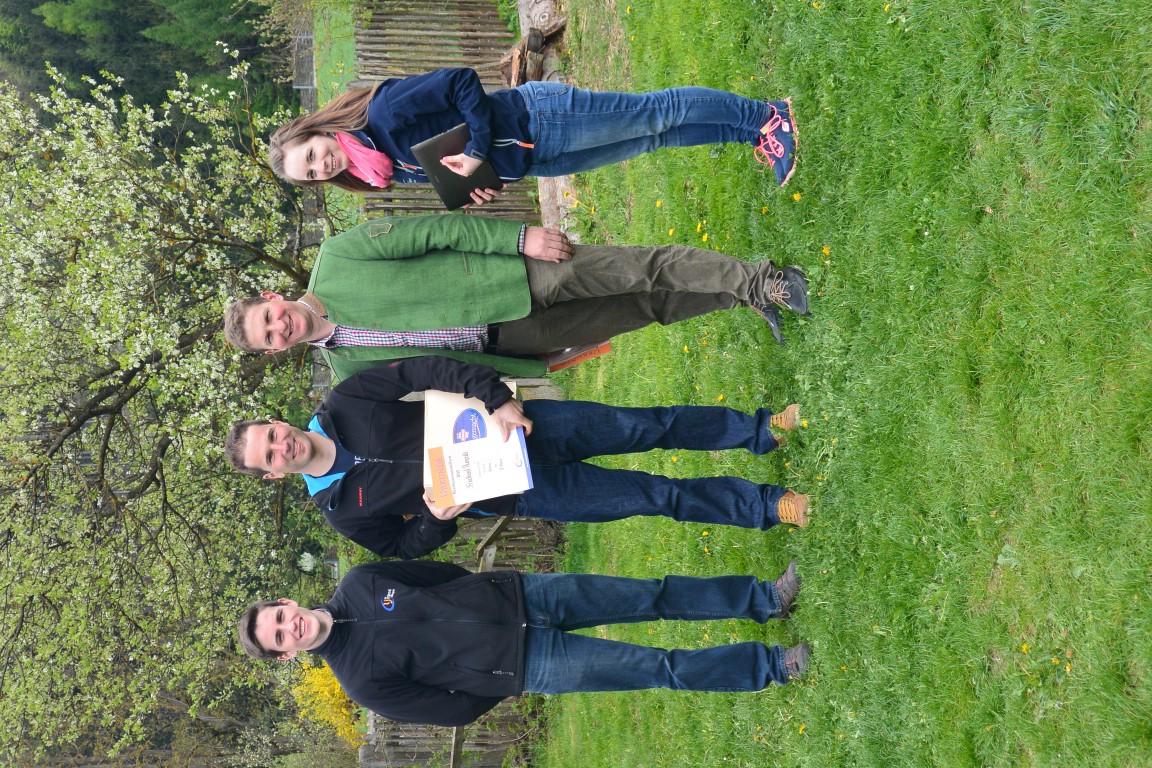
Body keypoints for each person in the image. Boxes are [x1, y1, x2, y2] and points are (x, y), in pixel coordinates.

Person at [223, 356, 811, 560]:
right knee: (653, 496)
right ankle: (768, 506)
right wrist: (436, 520)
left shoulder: (344, 402)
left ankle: (760, 430)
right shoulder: (339, 511)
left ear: (278, 423)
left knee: (646, 426)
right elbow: (403, 547)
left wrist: (495, 397)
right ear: (273, 473)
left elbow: (426, 370)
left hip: (518, 430)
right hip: (519, 492)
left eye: (272, 434)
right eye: (270, 455)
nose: (282, 445)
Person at [221, 214, 810, 381]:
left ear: (273, 297)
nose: (280, 327)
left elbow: (436, 231)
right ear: (273, 351)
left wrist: (517, 238)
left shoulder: (339, 257)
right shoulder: (347, 369)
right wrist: (523, 371)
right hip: (512, 340)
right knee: (642, 308)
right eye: (269, 337)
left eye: (269, 317)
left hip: (513, 276)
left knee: (637, 269)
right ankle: (740, 297)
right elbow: (439, 381)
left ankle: (762, 280)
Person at [237, 559, 811, 726]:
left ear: (286, 603)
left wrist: (482, 594)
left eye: (281, 618)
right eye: (281, 638)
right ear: (286, 654)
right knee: (660, 667)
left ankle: (764, 599)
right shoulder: (361, 682)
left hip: (527, 596)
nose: (292, 627)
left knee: (652, 594)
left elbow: (440, 574)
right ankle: (772, 667)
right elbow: (452, 711)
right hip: (535, 664)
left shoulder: (361, 582)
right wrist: (500, 675)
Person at [267, 67, 798, 206]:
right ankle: (747, 133)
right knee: (651, 139)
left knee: (655, 113)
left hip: (539, 118)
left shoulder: (382, 114)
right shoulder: (378, 166)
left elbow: (461, 83)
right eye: (310, 174)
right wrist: (480, 184)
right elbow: (454, 157)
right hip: (533, 157)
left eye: (311, 154)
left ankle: (766, 115)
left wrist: (477, 150)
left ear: (320, 130)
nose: (320, 166)